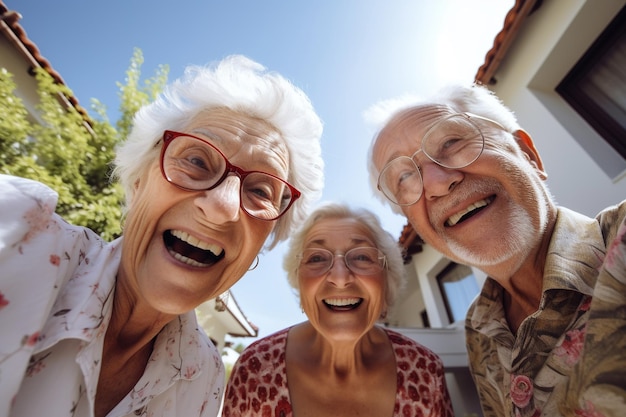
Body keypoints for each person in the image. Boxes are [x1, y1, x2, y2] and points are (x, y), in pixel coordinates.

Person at [0, 54, 324, 417]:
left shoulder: (204, 377)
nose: (222, 206)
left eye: (261, 192)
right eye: (197, 161)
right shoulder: (18, 235)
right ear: (138, 183)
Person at [366, 83, 626, 417]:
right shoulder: (479, 329)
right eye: (404, 178)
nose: (436, 182)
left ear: (528, 154)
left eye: (451, 141)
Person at [222, 202, 454, 417]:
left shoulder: (425, 370)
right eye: (316, 259)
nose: (340, 278)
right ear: (299, 282)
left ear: (387, 279)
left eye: (362, 256)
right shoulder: (255, 369)